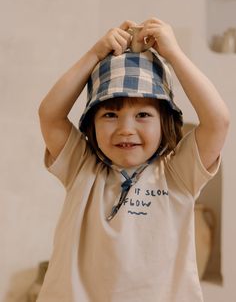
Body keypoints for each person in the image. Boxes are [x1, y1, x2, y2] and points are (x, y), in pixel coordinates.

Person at [37, 17, 229, 302]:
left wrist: (174, 55)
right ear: (92, 123)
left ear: (165, 122)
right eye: (110, 114)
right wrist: (94, 54)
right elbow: (49, 115)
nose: (126, 128)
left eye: (143, 115)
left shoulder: (178, 173)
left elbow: (218, 121)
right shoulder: (82, 167)